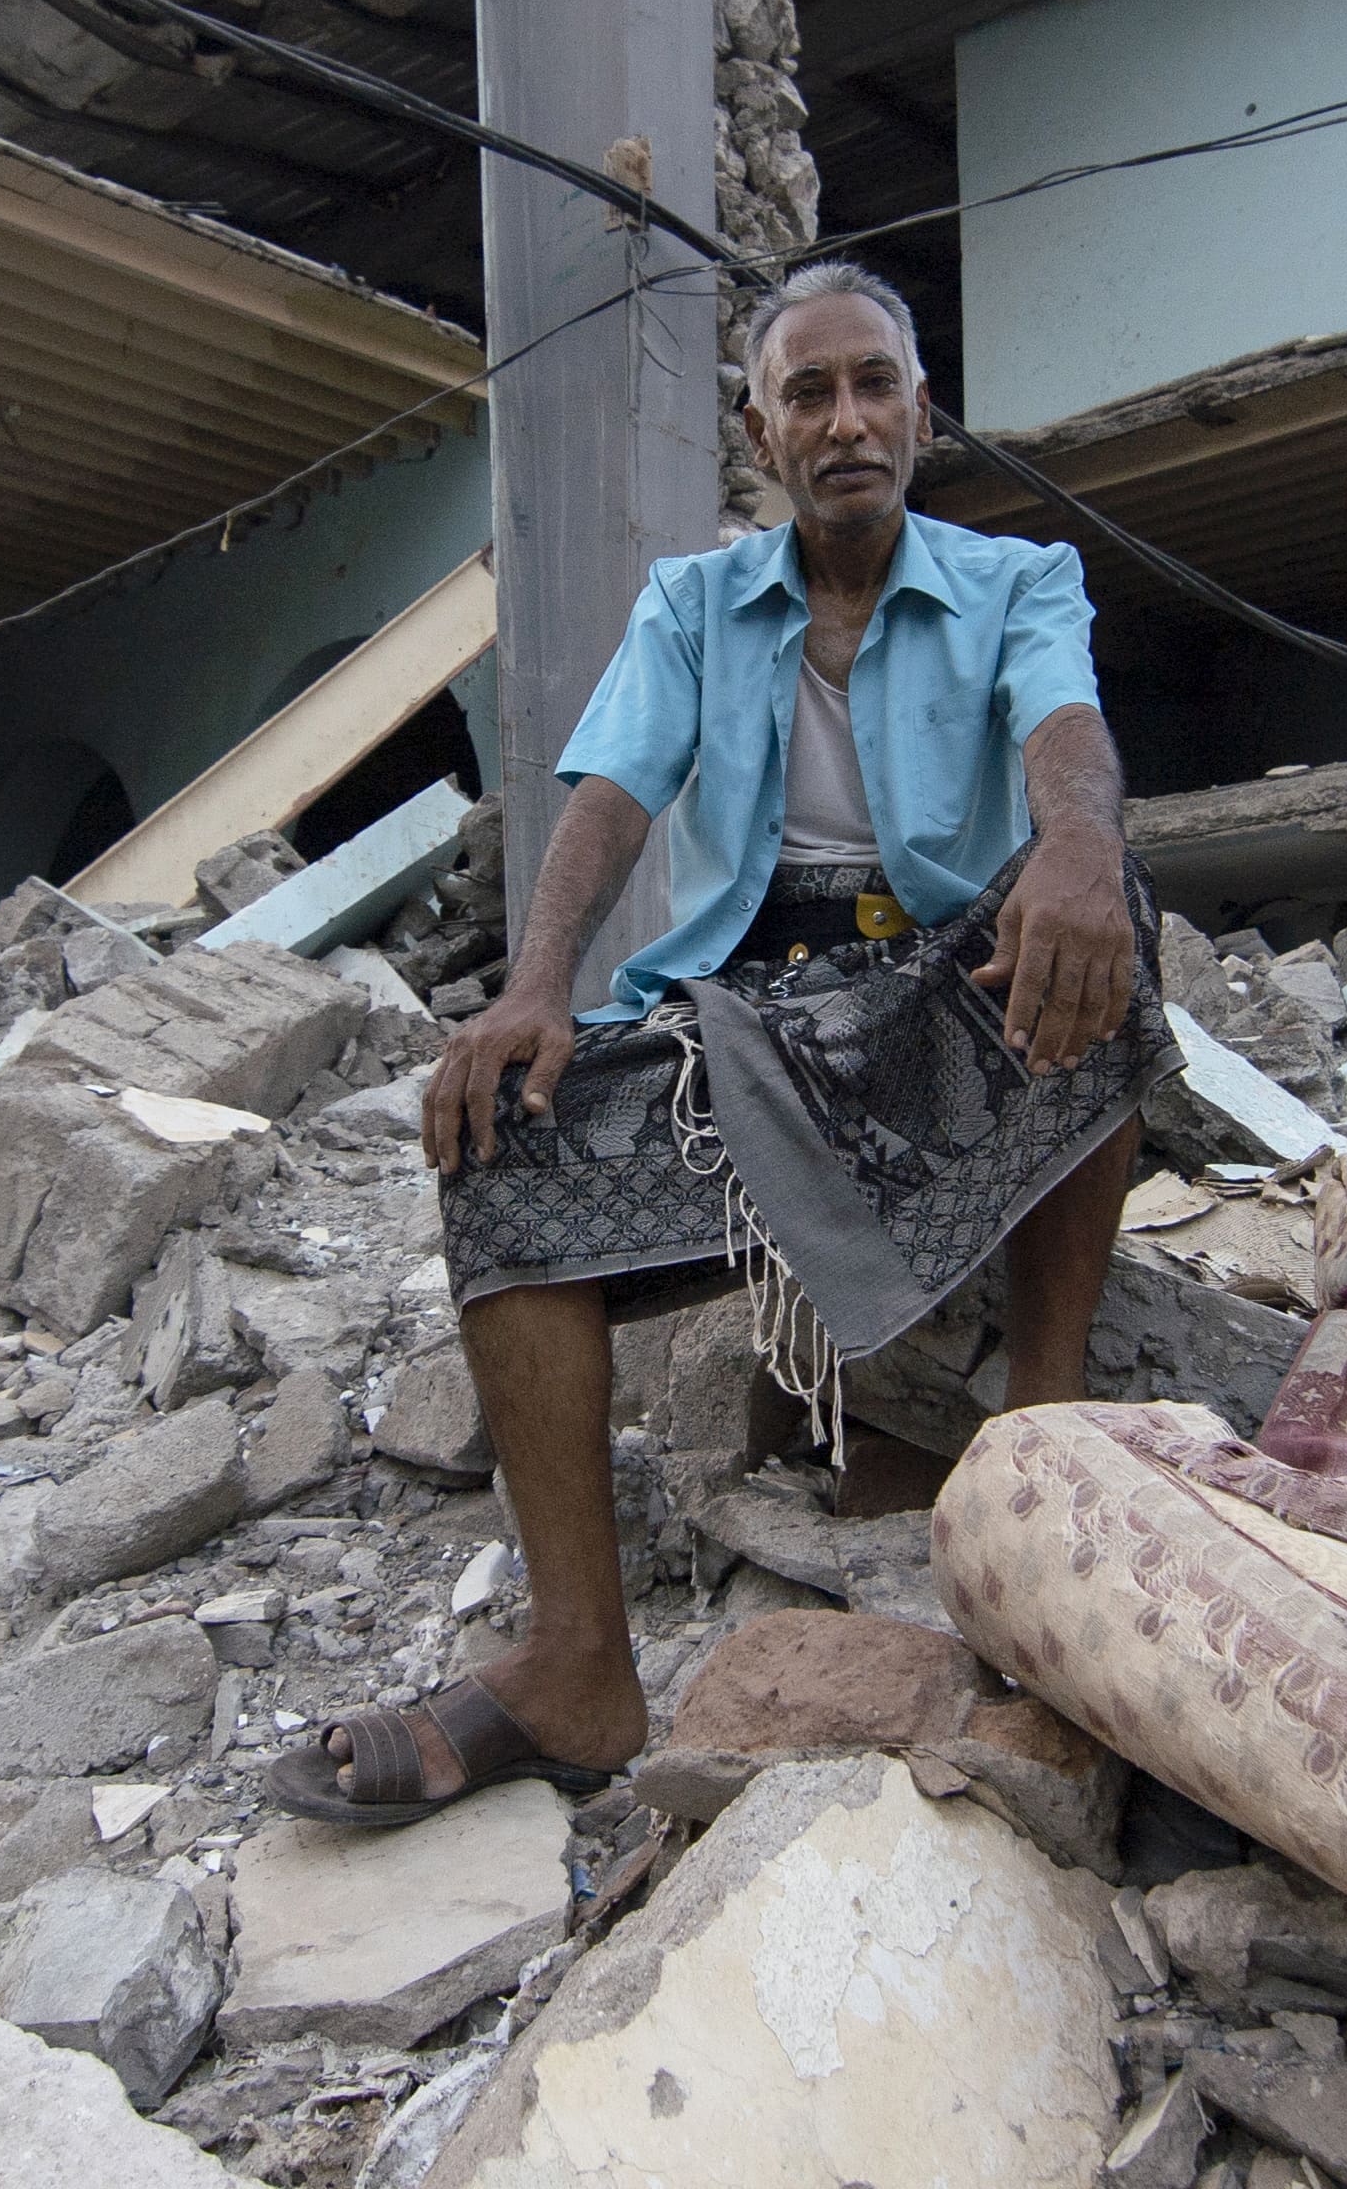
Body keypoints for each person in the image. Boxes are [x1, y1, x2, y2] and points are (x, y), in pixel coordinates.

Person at [266, 261, 1177, 1825]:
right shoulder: (693, 606)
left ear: (923, 413)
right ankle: (577, 1664)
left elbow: (1063, 730)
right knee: (507, 1137)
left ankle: (1040, 1431)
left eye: (874, 386)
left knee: (1101, 920)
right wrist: (537, 984)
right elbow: (613, 794)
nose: (847, 421)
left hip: (940, 992)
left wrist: (1084, 844)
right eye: (807, 394)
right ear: (763, 435)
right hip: (752, 1009)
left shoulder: (1021, 580)